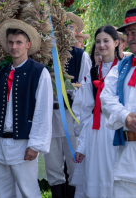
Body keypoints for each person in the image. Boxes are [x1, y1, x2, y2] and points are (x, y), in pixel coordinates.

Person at [0, 19, 53, 198]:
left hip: (23, 143)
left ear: (28, 44)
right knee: (1, 192)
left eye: (19, 42)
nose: (14, 46)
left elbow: (43, 111)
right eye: (10, 42)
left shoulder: (39, 72)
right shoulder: (1, 74)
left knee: (29, 192)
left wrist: (35, 145)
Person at [101, 7, 136, 198]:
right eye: (128, 33)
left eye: (135, 32)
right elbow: (106, 97)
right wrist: (124, 116)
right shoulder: (122, 65)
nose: (129, 37)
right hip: (130, 157)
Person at [71, 25, 122, 198]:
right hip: (95, 133)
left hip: (117, 133)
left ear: (116, 42)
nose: (101, 45)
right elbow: (84, 112)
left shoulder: (124, 71)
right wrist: (82, 144)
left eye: (106, 41)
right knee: (93, 176)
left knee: (115, 177)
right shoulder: (91, 74)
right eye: (98, 41)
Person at [44, 12, 91, 198]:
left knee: (74, 164)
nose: (66, 31)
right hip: (50, 115)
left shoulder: (80, 56)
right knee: (53, 165)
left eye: (71, 28)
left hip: (71, 115)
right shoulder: (45, 56)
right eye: (63, 27)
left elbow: (85, 89)